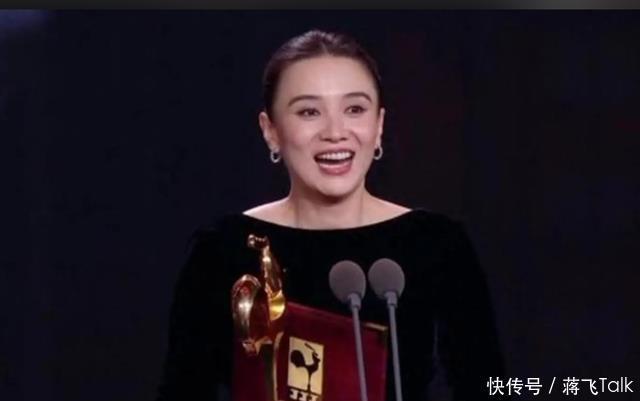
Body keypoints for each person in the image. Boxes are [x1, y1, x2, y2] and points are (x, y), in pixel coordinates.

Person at [156, 30, 506, 401]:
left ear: (379, 126)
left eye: (354, 109)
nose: (336, 133)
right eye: (309, 112)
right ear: (270, 131)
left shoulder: (436, 245)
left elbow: (487, 388)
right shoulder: (224, 250)